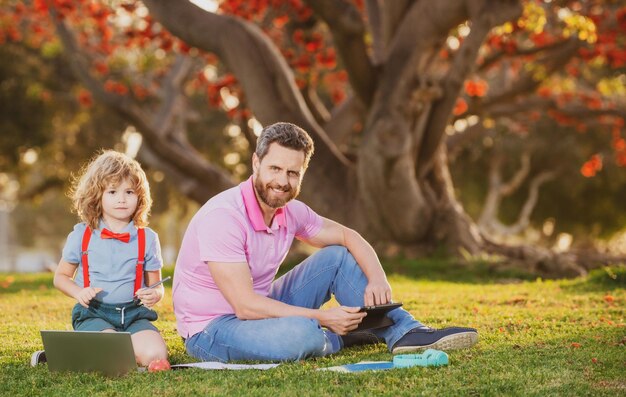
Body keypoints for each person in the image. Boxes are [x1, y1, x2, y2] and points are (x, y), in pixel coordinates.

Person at [173, 122, 478, 362]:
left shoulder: (290, 212)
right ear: (256, 163)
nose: (283, 181)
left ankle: (404, 331)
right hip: (212, 330)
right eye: (275, 168)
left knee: (336, 256)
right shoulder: (224, 216)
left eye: (293, 173)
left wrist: (377, 278)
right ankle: (347, 332)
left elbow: (349, 237)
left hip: (262, 307)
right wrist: (323, 318)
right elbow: (245, 306)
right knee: (300, 335)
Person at [31, 150, 168, 367]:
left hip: (134, 314)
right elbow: (61, 277)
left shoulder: (148, 238)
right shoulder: (81, 235)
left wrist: (155, 295)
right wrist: (78, 292)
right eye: (112, 191)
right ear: (97, 196)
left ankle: (89, 350)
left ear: (140, 196)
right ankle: (80, 350)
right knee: (113, 351)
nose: (122, 199)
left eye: (129, 191)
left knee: (155, 356)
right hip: (95, 313)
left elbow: (157, 286)